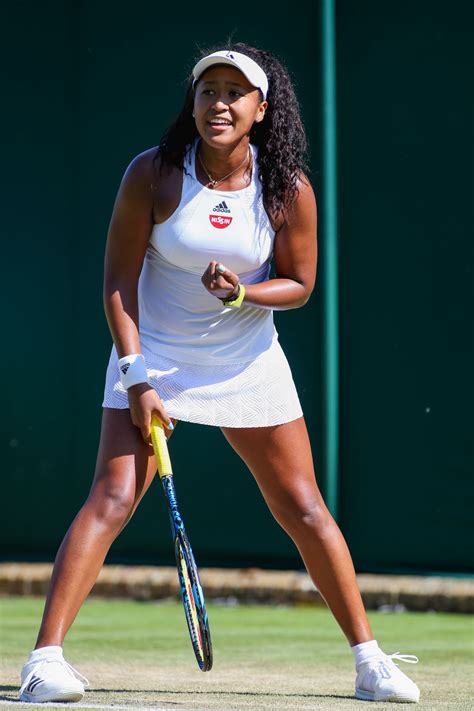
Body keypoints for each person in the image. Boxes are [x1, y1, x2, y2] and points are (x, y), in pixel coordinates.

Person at [19, 43, 420, 704]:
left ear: (261, 109)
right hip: (152, 356)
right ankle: (44, 661)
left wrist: (243, 295)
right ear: (195, 102)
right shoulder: (152, 174)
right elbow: (118, 281)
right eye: (209, 91)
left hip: (247, 358)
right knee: (114, 495)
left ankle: (371, 661)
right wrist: (136, 376)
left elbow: (300, 282)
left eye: (236, 93)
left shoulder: (286, 188)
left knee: (304, 505)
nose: (220, 104)